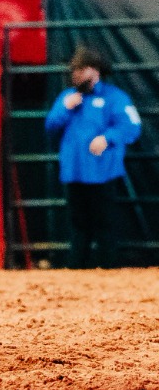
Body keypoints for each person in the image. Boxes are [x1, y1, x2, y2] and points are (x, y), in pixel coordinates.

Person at [45, 47, 142, 269]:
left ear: (95, 70)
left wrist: (108, 138)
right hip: (74, 172)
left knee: (105, 223)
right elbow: (50, 125)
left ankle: (109, 268)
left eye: (81, 69)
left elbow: (131, 126)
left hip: (102, 172)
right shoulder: (67, 98)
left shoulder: (114, 98)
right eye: (74, 70)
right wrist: (65, 109)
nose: (76, 74)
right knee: (78, 224)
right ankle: (77, 269)